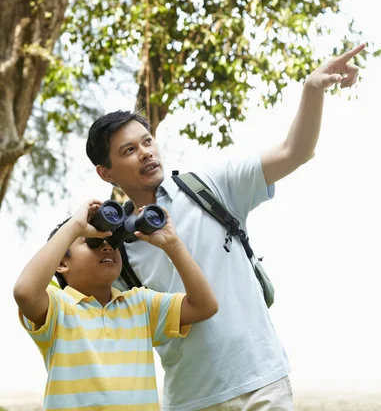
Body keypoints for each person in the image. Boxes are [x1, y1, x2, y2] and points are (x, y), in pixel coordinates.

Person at [85, 43, 365, 411]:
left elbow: (294, 150)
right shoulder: (117, 246)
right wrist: (84, 228)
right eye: (129, 151)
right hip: (190, 399)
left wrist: (312, 89)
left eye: (148, 142)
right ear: (106, 172)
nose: (147, 153)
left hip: (262, 383)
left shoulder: (209, 186)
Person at [13, 199, 218, 411]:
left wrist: (172, 244)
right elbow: (24, 292)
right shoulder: (58, 308)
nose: (107, 247)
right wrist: (74, 227)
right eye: (92, 242)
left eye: (113, 242)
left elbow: (205, 306)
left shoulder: (141, 305)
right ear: (62, 263)